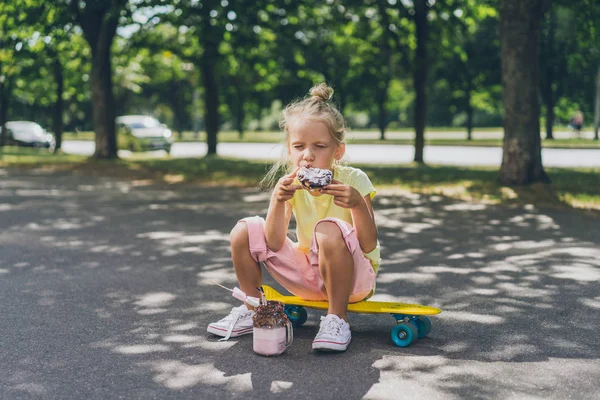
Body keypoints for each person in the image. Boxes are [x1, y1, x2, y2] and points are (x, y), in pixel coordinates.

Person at [207, 83, 381, 352]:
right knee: (244, 230)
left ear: (338, 151)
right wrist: (277, 200)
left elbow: (369, 245)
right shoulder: (290, 182)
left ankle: (337, 319)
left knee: (328, 228)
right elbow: (274, 244)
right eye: (299, 146)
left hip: (354, 281)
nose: (308, 156)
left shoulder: (354, 180)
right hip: (308, 278)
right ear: (290, 150)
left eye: (319, 146)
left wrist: (357, 204)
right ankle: (253, 309)